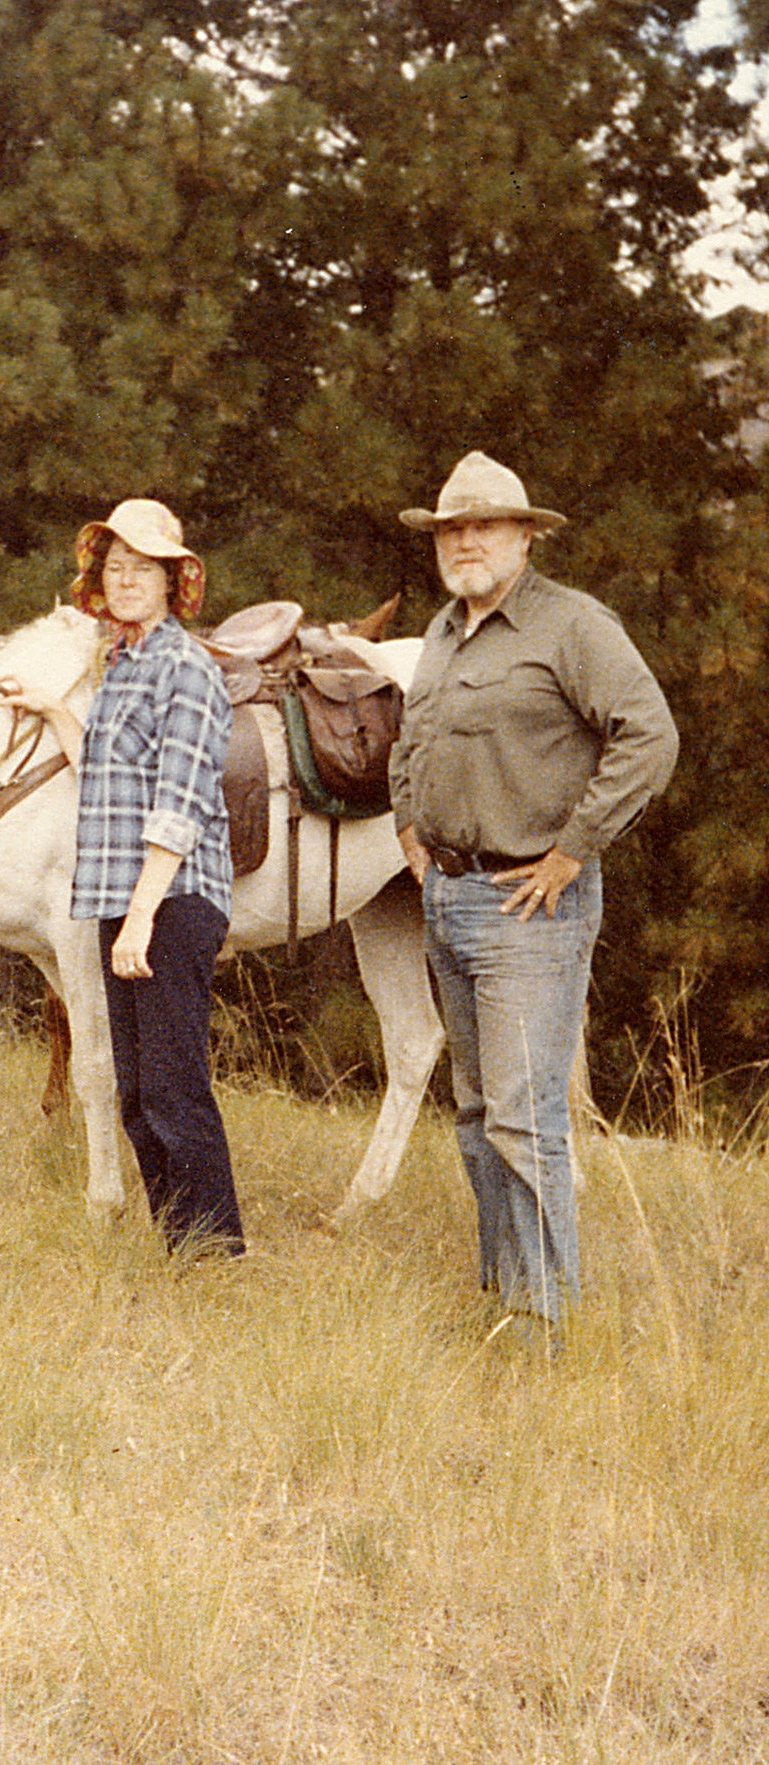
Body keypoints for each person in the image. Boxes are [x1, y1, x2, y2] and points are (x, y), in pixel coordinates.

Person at [388, 451, 678, 1332]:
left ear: (524, 535)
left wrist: (571, 852)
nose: (465, 541)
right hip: (450, 896)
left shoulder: (572, 625)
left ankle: (548, 1323)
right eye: (451, 528)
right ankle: (503, 1300)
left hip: (530, 909)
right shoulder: (442, 631)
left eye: (484, 525)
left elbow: (650, 737)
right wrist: (410, 828)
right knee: (477, 1115)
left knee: (522, 1120)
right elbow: (412, 737)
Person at [9, 499, 245, 1257]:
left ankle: (216, 1253)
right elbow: (108, 775)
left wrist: (142, 916)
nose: (128, 580)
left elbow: (177, 805)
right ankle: (180, 1247)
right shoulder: (121, 666)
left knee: (176, 1089)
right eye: (116, 568)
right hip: (126, 901)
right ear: (99, 582)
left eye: (144, 569)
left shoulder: (186, 668)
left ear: (175, 581)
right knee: (140, 1097)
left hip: (169, 902)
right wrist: (53, 709)